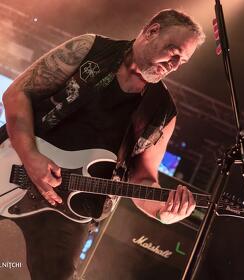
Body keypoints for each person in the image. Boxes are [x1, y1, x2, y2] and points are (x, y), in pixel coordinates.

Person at [2, 9, 205, 280]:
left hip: (73, 211)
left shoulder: (163, 111)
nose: (174, 64)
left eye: (182, 61)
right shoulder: (90, 49)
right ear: (151, 31)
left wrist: (165, 213)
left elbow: (143, 179)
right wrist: (29, 156)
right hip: (12, 170)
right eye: (172, 51)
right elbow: (17, 93)